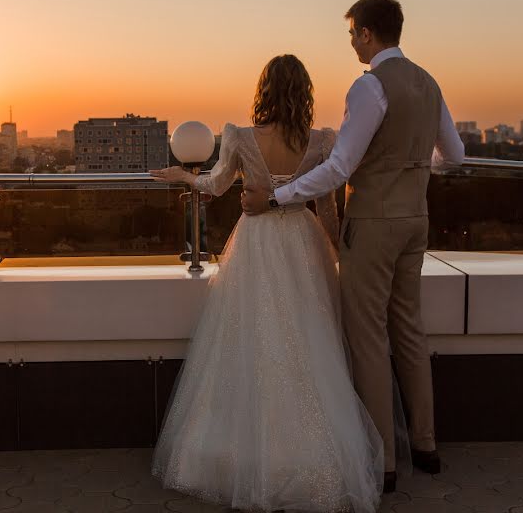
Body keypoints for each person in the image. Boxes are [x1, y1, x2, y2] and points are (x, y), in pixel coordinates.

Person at [241, 0, 465, 493]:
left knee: (366, 336)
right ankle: (425, 446)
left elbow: (340, 167)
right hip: (416, 219)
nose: (350, 43)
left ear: (367, 33)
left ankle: (382, 461)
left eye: (351, 34)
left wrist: (277, 198)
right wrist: (410, 168)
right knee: (409, 327)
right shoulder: (428, 82)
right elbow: (455, 155)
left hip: (375, 222)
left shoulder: (369, 87)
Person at [149, 54, 383, 513]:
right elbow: (328, 210)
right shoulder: (321, 142)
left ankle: (246, 455)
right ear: (305, 93)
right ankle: (313, 453)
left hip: (255, 242)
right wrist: (338, 258)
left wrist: (182, 175)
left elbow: (216, 186)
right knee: (308, 341)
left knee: (251, 339)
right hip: (302, 241)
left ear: (264, 91)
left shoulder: (239, 136)